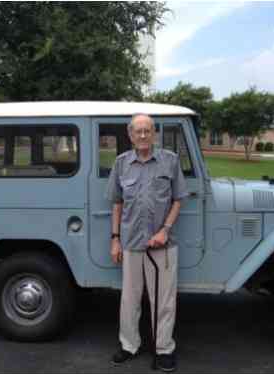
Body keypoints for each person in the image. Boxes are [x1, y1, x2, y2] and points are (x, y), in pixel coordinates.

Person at [105, 113, 189, 372]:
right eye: (137, 131)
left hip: (162, 244)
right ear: (130, 135)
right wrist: (115, 239)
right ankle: (129, 345)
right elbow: (117, 204)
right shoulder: (121, 164)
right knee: (129, 299)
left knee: (163, 301)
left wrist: (165, 229)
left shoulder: (170, 161)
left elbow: (179, 199)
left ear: (154, 134)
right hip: (131, 243)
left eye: (147, 130)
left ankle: (164, 349)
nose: (142, 135)